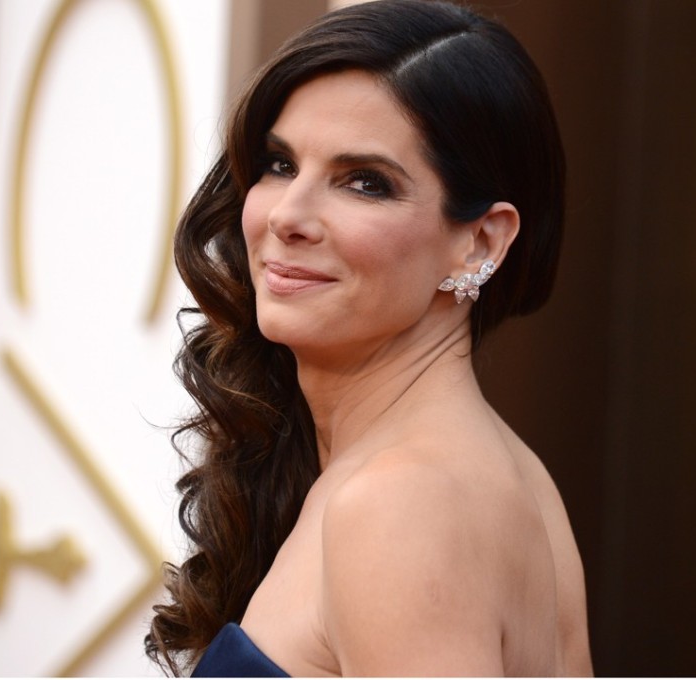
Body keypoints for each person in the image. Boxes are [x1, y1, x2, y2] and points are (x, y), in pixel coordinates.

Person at [146, 0, 592, 675]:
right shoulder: (494, 470)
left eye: (364, 182)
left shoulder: (399, 504)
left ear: (480, 242)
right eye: (280, 164)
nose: (288, 216)